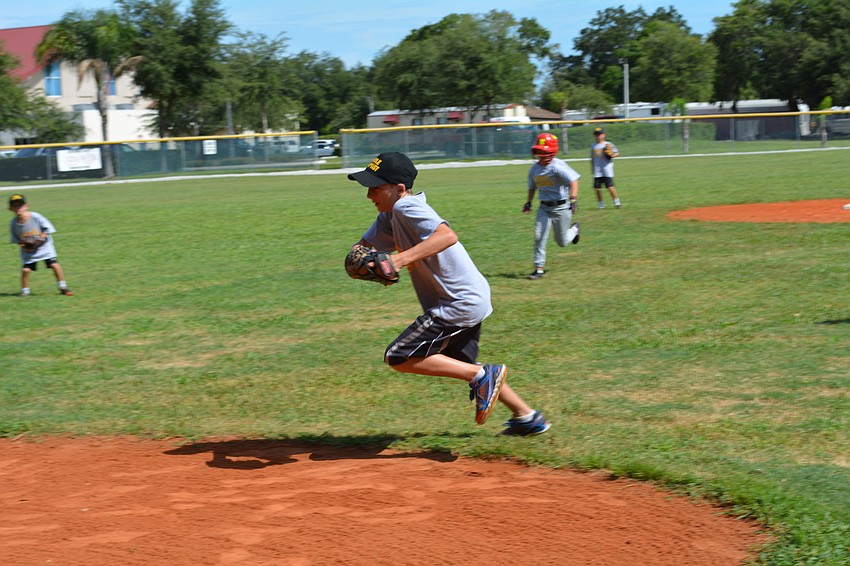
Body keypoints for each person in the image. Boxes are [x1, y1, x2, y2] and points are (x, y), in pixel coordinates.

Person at [348, 151, 550, 436]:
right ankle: (527, 416)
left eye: (376, 187)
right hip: (469, 298)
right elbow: (362, 248)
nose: (369, 194)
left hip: (457, 303)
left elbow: (446, 236)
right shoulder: (389, 215)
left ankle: (483, 377)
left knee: (398, 356)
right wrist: (358, 261)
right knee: (463, 364)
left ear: (400, 189)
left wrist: (398, 260)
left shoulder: (407, 207)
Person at [523, 132, 581, 280]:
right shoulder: (534, 169)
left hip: (561, 207)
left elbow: (573, 181)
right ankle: (539, 269)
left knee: (562, 242)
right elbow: (532, 187)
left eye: (545, 152)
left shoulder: (557, 166)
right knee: (539, 236)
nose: (542, 155)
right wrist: (528, 202)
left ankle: (574, 230)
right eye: (539, 151)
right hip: (544, 208)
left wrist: (573, 199)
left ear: (552, 152)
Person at [8, 193, 73, 297]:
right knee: (25, 270)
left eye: (20, 205)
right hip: (29, 251)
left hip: (44, 246)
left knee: (54, 265)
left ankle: (63, 287)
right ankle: (25, 292)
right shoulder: (13, 224)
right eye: (15, 206)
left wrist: (39, 240)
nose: (18, 208)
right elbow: (17, 240)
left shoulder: (35, 216)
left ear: (26, 206)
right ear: (11, 209)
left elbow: (46, 229)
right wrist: (25, 245)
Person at [590, 127, 622, 209]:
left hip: (607, 170)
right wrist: (592, 168)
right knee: (597, 189)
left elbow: (617, 153)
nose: (598, 136)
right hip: (597, 170)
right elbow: (592, 158)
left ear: (604, 135)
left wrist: (612, 155)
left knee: (610, 187)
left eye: (600, 134)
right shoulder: (593, 146)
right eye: (596, 135)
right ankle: (601, 205)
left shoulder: (608, 144)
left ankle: (617, 203)